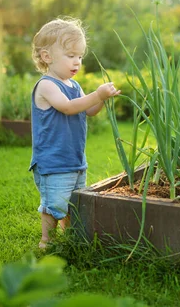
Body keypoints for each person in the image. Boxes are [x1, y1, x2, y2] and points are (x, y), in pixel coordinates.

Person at [29, 17, 121, 249]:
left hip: (74, 159)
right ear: (47, 57)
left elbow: (88, 110)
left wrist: (101, 100)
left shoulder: (75, 86)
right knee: (55, 203)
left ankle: (68, 236)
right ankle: (46, 240)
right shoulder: (47, 85)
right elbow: (68, 108)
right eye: (70, 56)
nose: (77, 62)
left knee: (73, 202)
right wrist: (97, 94)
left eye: (80, 56)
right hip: (53, 160)